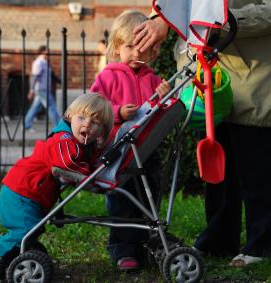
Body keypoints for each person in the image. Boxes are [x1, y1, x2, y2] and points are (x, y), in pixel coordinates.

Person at [133, 0, 271, 267]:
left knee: (255, 163)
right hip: (207, 67)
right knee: (218, 167)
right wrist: (160, 19)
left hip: (253, 69)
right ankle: (219, 239)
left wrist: (217, 21)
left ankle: (264, 243)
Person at [0, 93, 114, 283]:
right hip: (21, 191)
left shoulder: (80, 146)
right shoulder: (63, 141)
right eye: (82, 118)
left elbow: (81, 158)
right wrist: (91, 175)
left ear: (101, 132)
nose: (87, 124)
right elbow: (66, 164)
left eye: (95, 123)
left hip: (30, 193)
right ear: (70, 116)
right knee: (26, 229)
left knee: (32, 230)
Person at [90, 10, 170, 271]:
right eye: (130, 47)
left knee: (149, 198)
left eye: (143, 48)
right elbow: (93, 109)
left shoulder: (152, 78)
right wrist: (116, 112)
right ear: (116, 47)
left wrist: (163, 95)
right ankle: (123, 249)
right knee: (122, 200)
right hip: (119, 151)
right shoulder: (107, 77)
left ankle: (148, 243)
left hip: (147, 150)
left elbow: (160, 111)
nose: (137, 53)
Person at [25, 45, 61, 132]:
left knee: (35, 107)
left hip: (45, 89)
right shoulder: (38, 63)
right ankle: (59, 127)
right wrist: (32, 90)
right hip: (42, 89)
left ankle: (26, 125)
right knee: (52, 107)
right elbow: (35, 77)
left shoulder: (45, 63)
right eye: (47, 51)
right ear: (43, 52)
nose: (49, 53)